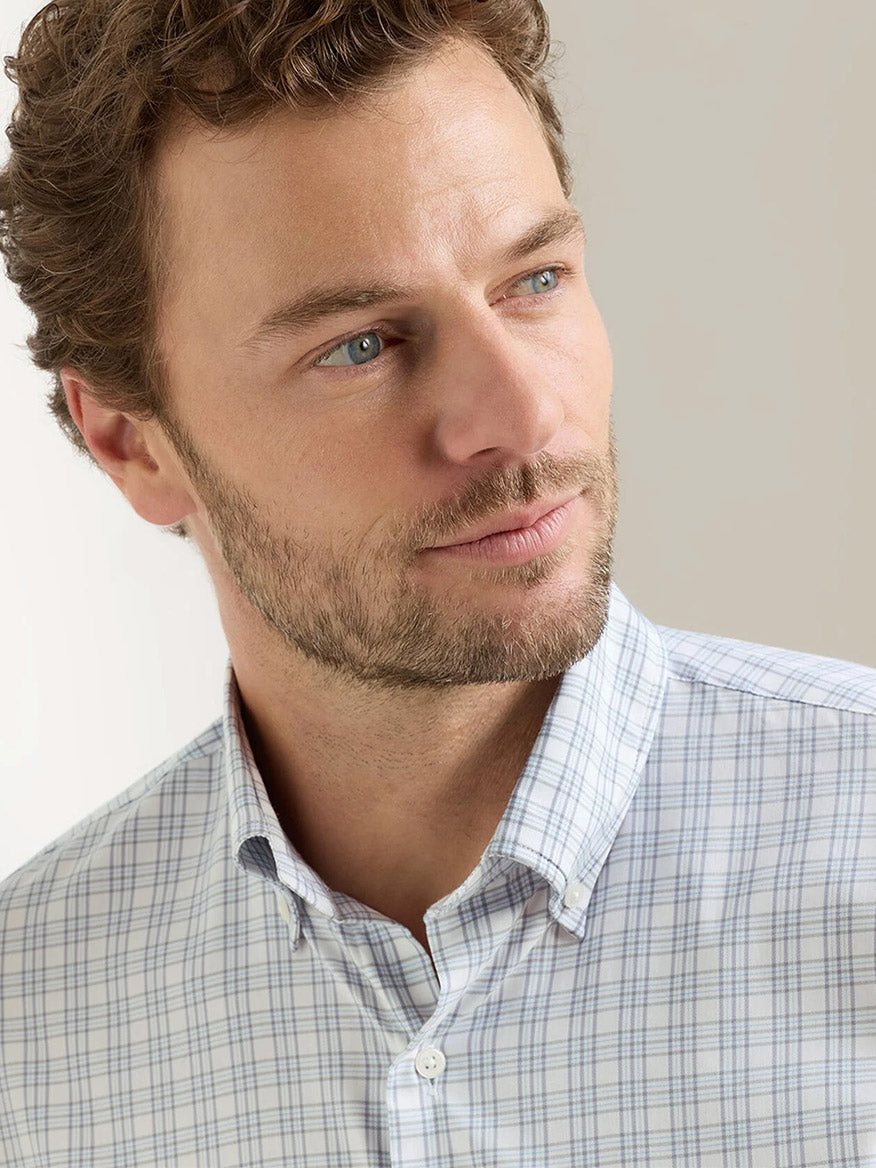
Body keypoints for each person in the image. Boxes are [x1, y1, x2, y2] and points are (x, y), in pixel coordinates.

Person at [0, 0, 873, 1163]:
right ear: (130, 440)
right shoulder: (27, 1035)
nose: (521, 417)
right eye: (359, 343)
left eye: (537, 280)